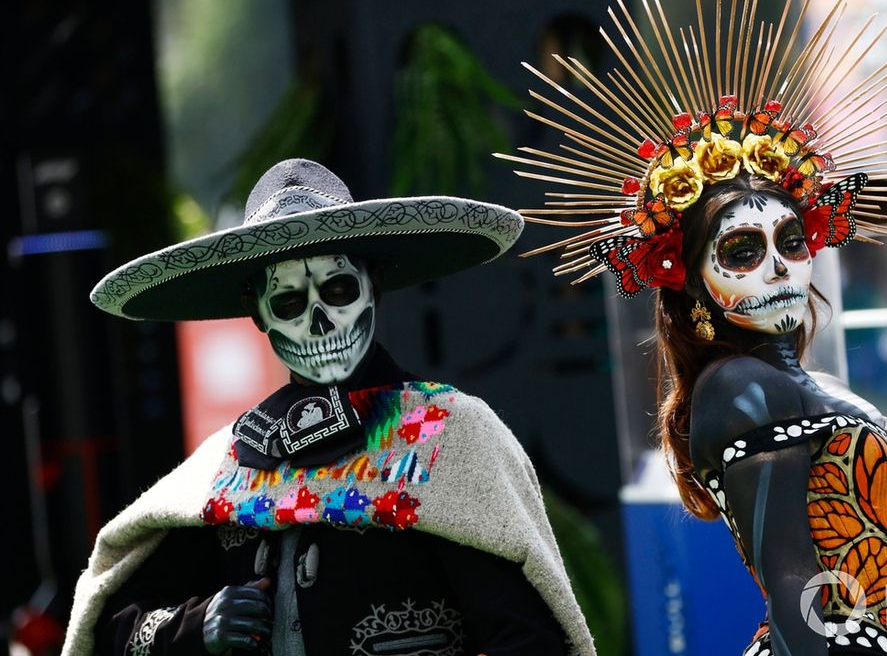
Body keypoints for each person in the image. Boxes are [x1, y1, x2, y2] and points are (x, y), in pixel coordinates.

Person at [502, 0, 887, 656]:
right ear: (692, 281)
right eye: (742, 251)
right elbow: (795, 590)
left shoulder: (790, 384)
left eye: (790, 239)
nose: (778, 266)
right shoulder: (739, 390)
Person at [63, 158, 595, 656]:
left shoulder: (447, 438)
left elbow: (529, 639)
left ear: (373, 287)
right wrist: (195, 626)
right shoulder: (230, 463)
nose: (319, 323)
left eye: (338, 289)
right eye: (289, 302)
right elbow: (111, 627)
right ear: (258, 316)